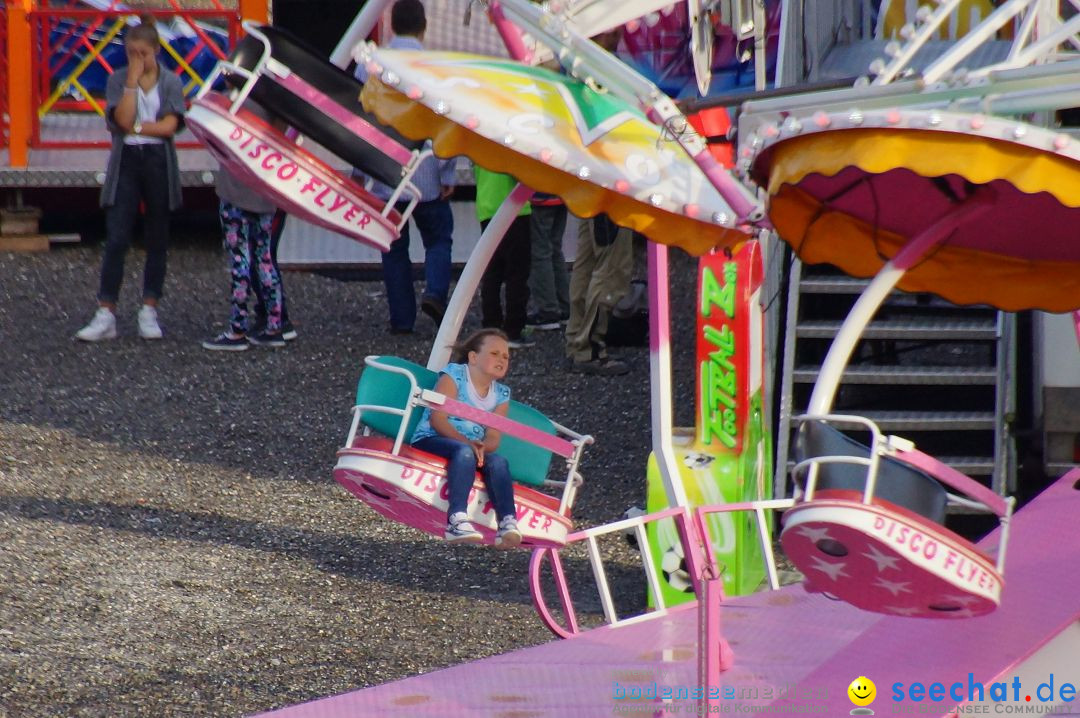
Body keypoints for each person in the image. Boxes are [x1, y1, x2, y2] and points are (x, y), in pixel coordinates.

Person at [76, 14, 185, 342]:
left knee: (157, 235)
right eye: (131, 53)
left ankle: (149, 307)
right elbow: (120, 120)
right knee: (117, 235)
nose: (137, 60)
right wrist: (132, 83)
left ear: (156, 51)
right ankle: (106, 310)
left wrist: (138, 127)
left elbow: (170, 126)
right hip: (126, 161)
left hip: (157, 160)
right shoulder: (118, 80)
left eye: (143, 54)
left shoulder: (171, 82)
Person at [354, 0, 455, 335]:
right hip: (426, 170)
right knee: (439, 239)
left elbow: (358, 121)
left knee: (394, 247)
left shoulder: (370, 65)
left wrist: (358, 170)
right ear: (423, 27)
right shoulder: (434, 68)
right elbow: (446, 121)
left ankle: (401, 319)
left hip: (384, 172)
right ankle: (436, 294)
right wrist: (448, 172)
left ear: (391, 26)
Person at [411, 329, 522, 547]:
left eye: (506, 357)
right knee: (463, 452)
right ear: (473, 357)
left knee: (499, 462)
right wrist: (467, 443)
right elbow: (438, 419)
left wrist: (482, 446)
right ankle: (457, 519)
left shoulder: (501, 394)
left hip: (472, 447)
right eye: (494, 353)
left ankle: (507, 521)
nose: (502, 359)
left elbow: (493, 435)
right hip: (432, 437)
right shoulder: (454, 375)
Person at [201, 160, 286, 351]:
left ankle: (237, 329)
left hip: (235, 190)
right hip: (265, 192)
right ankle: (274, 327)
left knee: (240, 258)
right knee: (264, 259)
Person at [564, 214, 633, 375]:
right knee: (611, 269)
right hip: (613, 200)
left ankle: (577, 341)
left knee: (587, 264)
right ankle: (589, 349)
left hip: (592, 196)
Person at [475, 167, 533, 348]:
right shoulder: (511, 140)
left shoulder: (480, 140)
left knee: (492, 273)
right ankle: (514, 330)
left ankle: (490, 327)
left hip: (486, 207)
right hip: (515, 209)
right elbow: (521, 172)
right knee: (517, 274)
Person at [526, 192, 570, 330]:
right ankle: (565, 308)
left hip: (540, 196)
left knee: (540, 252)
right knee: (555, 250)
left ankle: (548, 311)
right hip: (563, 194)